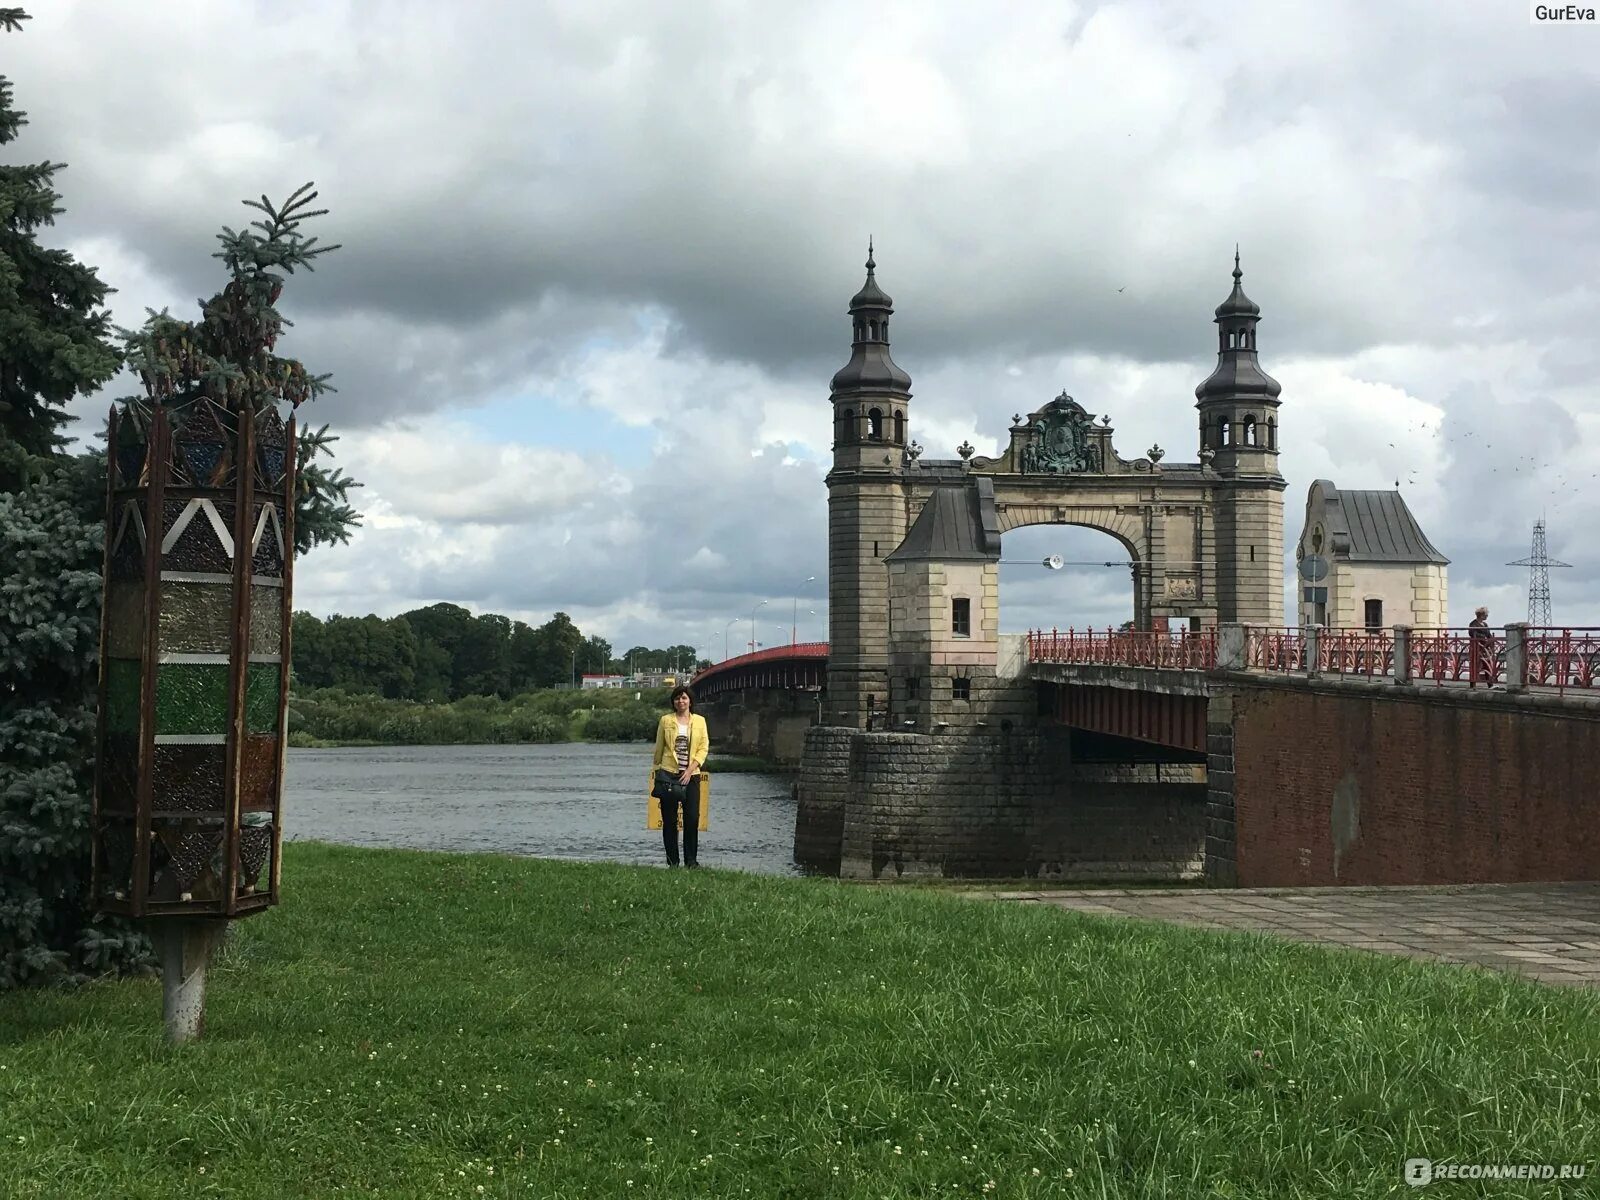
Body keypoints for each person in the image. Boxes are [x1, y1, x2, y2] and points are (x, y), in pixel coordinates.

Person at [653, 685, 709, 868]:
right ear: (673, 702)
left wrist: (691, 768)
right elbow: (659, 747)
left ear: (690, 701)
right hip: (669, 774)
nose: (681, 701)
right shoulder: (665, 721)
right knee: (669, 821)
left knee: (692, 818)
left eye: (684, 698)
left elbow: (703, 748)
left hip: (691, 776)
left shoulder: (700, 721)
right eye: (677, 698)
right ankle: (673, 862)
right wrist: (657, 770)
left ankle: (691, 862)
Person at [1468, 606, 1494, 686]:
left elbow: (1488, 634)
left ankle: (1490, 684)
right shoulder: (1473, 624)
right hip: (1477, 647)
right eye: (1486, 614)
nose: (1487, 616)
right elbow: (1472, 633)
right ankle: (1472, 684)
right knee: (1475, 665)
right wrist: (1483, 638)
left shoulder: (1485, 624)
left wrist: (1491, 640)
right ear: (1481, 615)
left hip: (1485, 648)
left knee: (1487, 665)